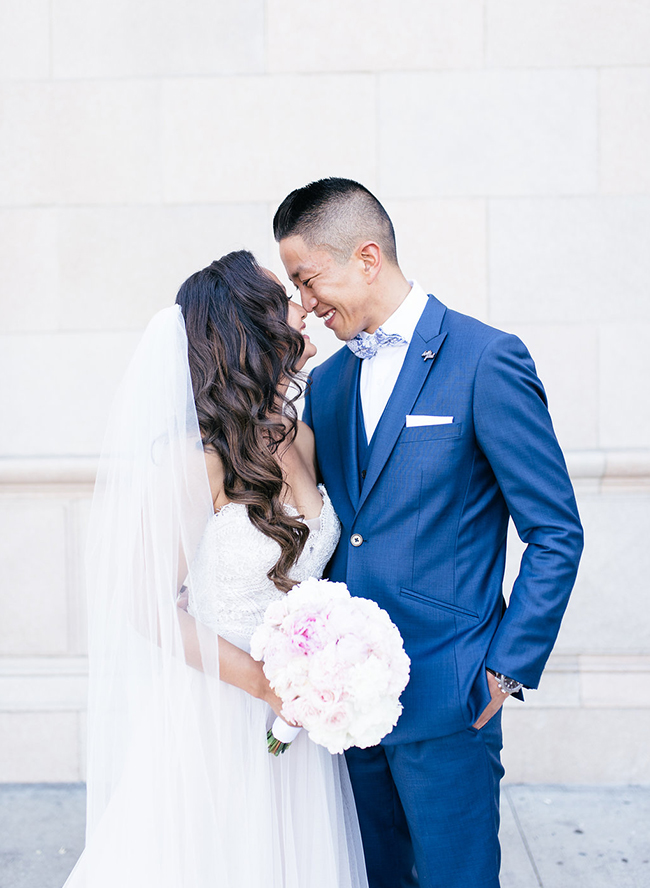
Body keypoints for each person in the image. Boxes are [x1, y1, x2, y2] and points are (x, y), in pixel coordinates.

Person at [274, 178, 584, 888]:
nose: (304, 306)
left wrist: (506, 666)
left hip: (451, 696)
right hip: (346, 711)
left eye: (308, 280)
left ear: (367, 257)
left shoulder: (486, 359)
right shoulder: (327, 384)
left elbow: (556, 529)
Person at [64, 250, 368, 888]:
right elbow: (145, 606)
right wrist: (264, 684)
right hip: (218, 708)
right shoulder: (195, 459)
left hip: (299, 715)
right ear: (250, 325)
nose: (304, 305)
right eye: (286, 295)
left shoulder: (299, 438)